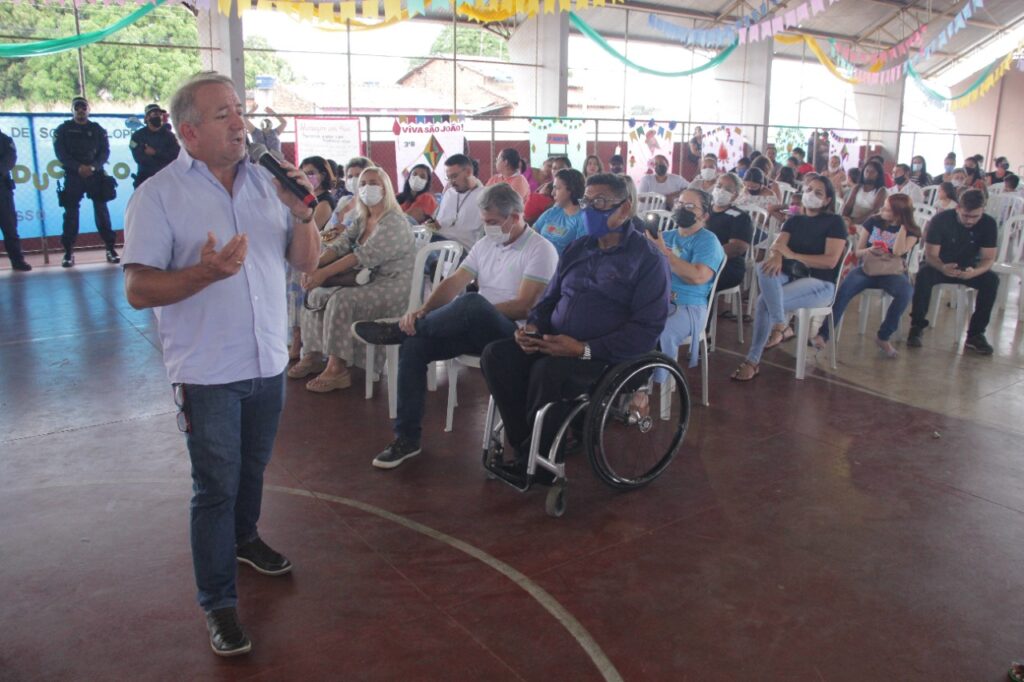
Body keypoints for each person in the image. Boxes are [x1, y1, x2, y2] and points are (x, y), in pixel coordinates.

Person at [122, 71, 321, 657]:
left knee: (253, 467)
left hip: (267, 358)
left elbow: (302, 263)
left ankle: (246, 538)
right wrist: (203, 274)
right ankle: (219, 604)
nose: (240, 122)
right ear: (188, 132)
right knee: (214, 487)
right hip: (208, 370)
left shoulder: (267, 183)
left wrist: (303, 214)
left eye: (239, 110)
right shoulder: (157, 196)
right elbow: (137, 289)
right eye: (222, 115)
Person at [479, 173, 671, 478]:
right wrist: (533, 327)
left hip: (605, 355)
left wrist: (584, 349)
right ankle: (527, 445)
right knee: (496, 355)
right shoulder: (578, 248)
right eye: (587, 201)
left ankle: (538, 461)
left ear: (625, 208)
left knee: (547, 371)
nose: (590, 209)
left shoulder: (647, 260)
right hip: (555, 341)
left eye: (601, 202)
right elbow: (548, 300)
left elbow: (647, 329)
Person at [353, 183, 558, 468]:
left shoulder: (541, 250)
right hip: (476, 329)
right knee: (414, 346)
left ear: (515, 216)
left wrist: (476, 311)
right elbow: (454, 283)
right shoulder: (486, 244)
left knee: (472, 304)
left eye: (493, 222)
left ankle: (395, 331)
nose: (488, 228)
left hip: (515, 335)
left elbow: (525, 305)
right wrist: (424, 310)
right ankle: (407, 438)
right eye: (485, 222)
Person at [289, 166, 416, 392]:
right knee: (315, 292)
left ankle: (337, 368)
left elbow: (362, 255)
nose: (368, 188)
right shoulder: (362, 217)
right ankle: (314, 353)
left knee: (341, 300)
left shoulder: (394, 221)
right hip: (366, 279)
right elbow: (341, 244)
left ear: (385, 188)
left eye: (374, 183)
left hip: (392, 285)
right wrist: (314, 265)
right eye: (364, 183)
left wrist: (323, 274)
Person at [731, 176, 846, 381]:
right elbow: (778, 245)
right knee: (763, 268)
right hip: (791, 277)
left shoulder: (834, 222)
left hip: (820, 283)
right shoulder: (795, 220)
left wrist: (792, 256)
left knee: (763, 301)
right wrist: (776, 255)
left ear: (828, 200)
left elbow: (829, 261)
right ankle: (781, 324)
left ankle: (753, 359)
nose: (810, 194)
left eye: (818, 193)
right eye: (809, 189)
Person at [811, 194, 920, 358]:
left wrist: (902, 228)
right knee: (844, 291)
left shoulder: (912, 231)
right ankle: (823, 334)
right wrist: (870, 250)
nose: (882, 210)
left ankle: (883, 336)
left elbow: (898, 252)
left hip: (892, 271)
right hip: (868, 267)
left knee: (906, 293)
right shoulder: (873, 221)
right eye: (884, 205)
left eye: (888, 209)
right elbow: (858, 251)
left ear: (899, 213)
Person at [907, 189, 999, 355]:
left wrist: (975, 272)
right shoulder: (941, 220)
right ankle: (916, 326)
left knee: (991, 281)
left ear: (982, 211)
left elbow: (988, 258)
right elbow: (930, 255)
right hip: (940, 264)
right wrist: (942, 267)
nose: (970, 221)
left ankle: (976, 334)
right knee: (923, 275)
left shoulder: (988, 224)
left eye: (975, 217)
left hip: (970, 267)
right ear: (958, 209)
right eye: (966, 216)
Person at [646, 188, 725, 368]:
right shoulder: (666, 237)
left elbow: (698, 277)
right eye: (680, 204)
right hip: (658, 301)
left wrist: (663, 253)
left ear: (705, 215)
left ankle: (658, 385)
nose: (682, 209)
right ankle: (633, 381)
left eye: (690, 206)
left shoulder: (707, 241)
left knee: (659, 330)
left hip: (688, 307)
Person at [53, 96, 118, 268]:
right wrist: (77, 167)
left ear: (88, 110)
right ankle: (68, 252)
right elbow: (61, 153)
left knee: (102, 212)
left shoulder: (97, 129)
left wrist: (94, 167)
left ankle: (110, 249)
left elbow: (105, 152)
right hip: (74, 176)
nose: (81, 110)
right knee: (71, 215)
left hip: (95, 175)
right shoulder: (63, 129)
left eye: (84, 107)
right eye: (77, 108)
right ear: (72, 110)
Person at [423, 153, 485, 251]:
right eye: (448, 177)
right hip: (440, 243)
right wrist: (432, 225)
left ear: (468, 172)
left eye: (454, 176)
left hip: (462, 250)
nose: (451, 182)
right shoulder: (449, 193)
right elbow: (441, 224)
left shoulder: (484, 196)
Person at [703, 173, 752, 293]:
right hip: (698, 258)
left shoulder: (740, 217)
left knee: (697, 278)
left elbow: (737, 248)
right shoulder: (703, 210)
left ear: (735, 195)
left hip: (727, 265)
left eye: (727, 189)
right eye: (719, 186)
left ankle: (700, 311)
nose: (721, 191)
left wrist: (706, 256)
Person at [533, 168, 586, 255]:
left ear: (571, 189)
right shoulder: (553, 212)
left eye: (556, 188)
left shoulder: (583, 219)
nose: (552, 193)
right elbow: (532, 234)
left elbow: (579, 255)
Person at [0, 125, 31, 271]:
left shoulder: (5, 140)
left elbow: (10, 159)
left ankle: (17, 261)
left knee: (9, 227)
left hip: (2, 189)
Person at [130, 103, 180, 189]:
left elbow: (175, 156)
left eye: (160, 114)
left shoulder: (170, 136)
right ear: (147, 118)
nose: (158, 117)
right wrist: (162, 158)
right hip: (144, 180)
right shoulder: (137, 136)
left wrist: (155, 153)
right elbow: (140, 158)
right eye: (155, 114)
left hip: (167, 180)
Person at [329, 156, 374, 229]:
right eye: (350, 176)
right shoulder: (344, 200)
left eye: (358, 175)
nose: (353, 180)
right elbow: (328, 227)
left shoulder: (371, 205)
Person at [524, 156, 570, 224]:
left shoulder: (571, 187)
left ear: (569, 169)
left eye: (561, 168)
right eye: (554, 168)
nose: (556, 171)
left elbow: (557, 209)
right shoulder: (547, 185)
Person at [842, 160, 888, 226]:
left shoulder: (881, 191)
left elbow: (874, 211)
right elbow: (848, 205)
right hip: (851, 219)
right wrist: (843, 218)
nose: (869, 174)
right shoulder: (857, 187)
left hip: (867, 223)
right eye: (867, 171)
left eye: (873, 172)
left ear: (878, 174)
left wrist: (854, 221)